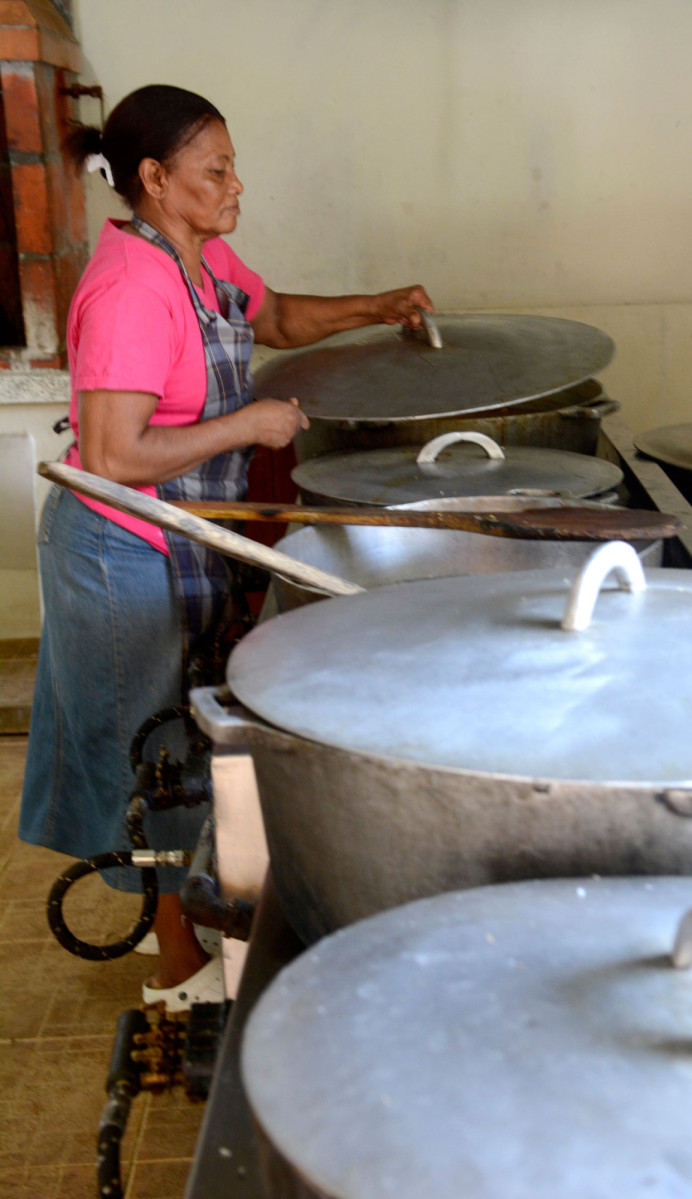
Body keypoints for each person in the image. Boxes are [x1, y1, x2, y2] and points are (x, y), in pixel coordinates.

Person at [18, 84, 433, 1011]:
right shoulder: (131, 286)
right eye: (217, 170)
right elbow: (118, 453)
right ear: (157, 180)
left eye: (233, 164)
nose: (236, 185)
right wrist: (250, 421)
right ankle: (179, 973)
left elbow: (273, 314)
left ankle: (187, 921)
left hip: (176, 536)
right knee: (151, 756)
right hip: (119, 549)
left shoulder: (199, 260)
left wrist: (382, 303)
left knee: (177, 738)